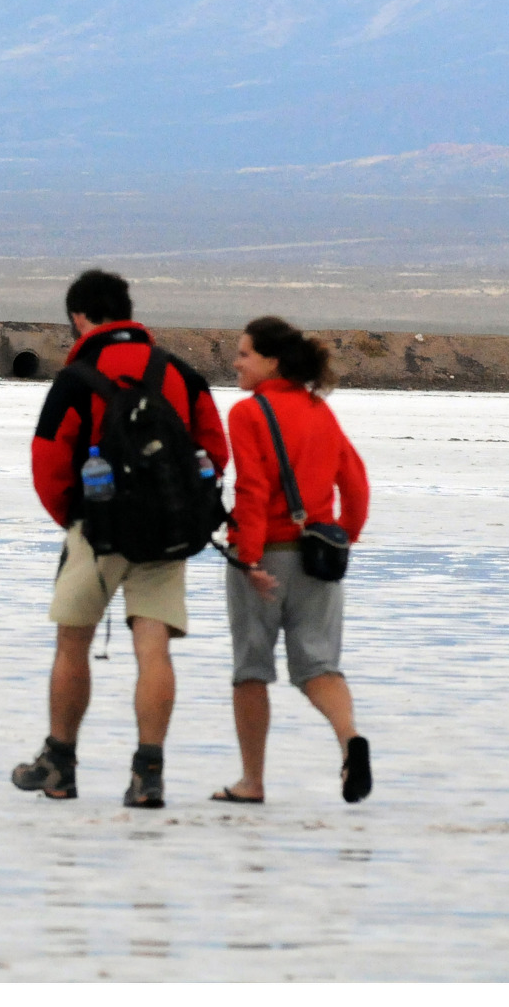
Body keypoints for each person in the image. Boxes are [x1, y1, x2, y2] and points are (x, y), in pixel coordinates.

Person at [12, 268, 229, 808]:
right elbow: (214, 451)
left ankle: (59, 763)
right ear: (128, 312)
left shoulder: (76, 376)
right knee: (153, 649)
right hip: (167, 533)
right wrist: (181, 505)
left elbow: (48, 459)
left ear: (80, 318)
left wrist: (73, 517)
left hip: (98, 527)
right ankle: (147, 774)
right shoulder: (179, 373)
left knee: (73, 642)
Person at [212, 316, 373, 805]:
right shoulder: (318, 409)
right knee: (320, 666)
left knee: (251, 670)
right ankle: (350, 740)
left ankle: (252, 782)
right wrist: (345, 534)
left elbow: (253, 489)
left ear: (270, 361)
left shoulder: (248, 413)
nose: (235, 362)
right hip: (318, 559)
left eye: (243, 354)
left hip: (265, 555)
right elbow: (355, 479)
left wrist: (251, 560)